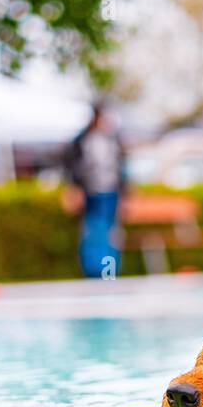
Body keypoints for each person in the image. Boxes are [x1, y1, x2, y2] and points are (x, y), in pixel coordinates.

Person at [62, 103, 126, 279]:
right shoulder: (84, 139)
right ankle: (92, 272)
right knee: (92, 232)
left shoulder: (112, 139)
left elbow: (121, 168)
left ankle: (109, 273)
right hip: (91, 194)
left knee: (110, 233)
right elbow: (72, 167)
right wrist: (75, 188)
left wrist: (125, 193)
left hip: (111, 193)